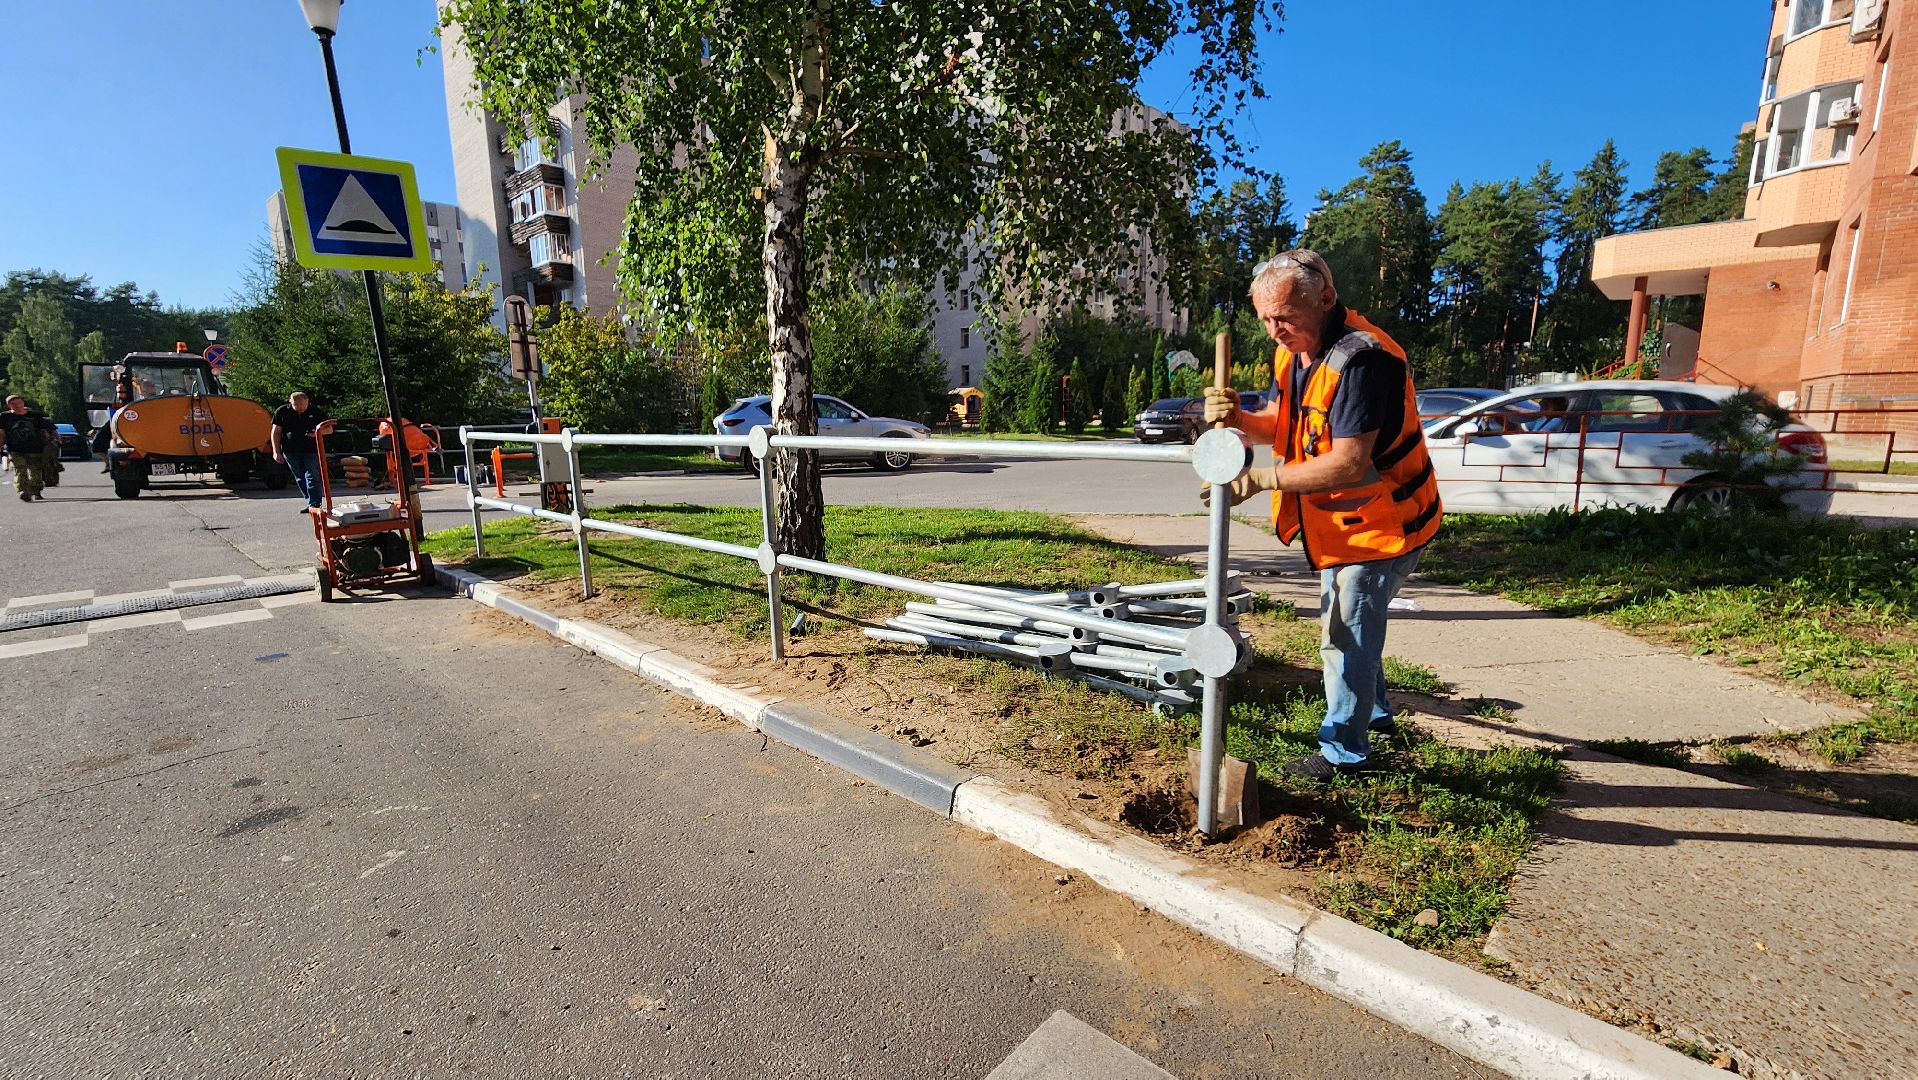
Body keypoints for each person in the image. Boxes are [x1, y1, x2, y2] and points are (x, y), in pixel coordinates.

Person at [1202, 249, 1444, 782]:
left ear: (1326, 298)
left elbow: (1347, 462)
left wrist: (1261, 479)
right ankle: (1376, 721)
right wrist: (1240, 416)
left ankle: (1345, 752)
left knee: (1345, 635)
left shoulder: (1365, 360)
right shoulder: (1294, 353)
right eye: (1265, 319)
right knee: (1354, 624)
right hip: (1341, 528)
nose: (1274, 331)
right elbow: (1284, 425)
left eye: (1284, 317)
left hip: (1385, 526)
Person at [271, 391, 328, 513]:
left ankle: (315, 504)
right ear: (290, 402)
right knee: (300, 477)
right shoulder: (282, 412)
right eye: (296, 405)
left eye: (303, 405)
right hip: (290, 450)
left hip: (311, 449)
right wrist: (276, 451)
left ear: (307, 402)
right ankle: (310, 502)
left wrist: (317, 433)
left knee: (312, 475)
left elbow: (329, 429)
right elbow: (276, 432)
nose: (300, 408)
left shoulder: (316, 411)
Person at [2, 394, 58, 502]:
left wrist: (54, 440)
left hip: (35, 448)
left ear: (23, 403)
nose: (17, 406)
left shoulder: (35, 415)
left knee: (35, 472)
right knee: (20, 469)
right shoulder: (4, 417)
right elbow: (1, 433)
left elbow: (48, 429)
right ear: (9, 406)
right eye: (14, 404)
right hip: (14, 449)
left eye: (19, 403)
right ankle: (24, 491)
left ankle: (36, 490)